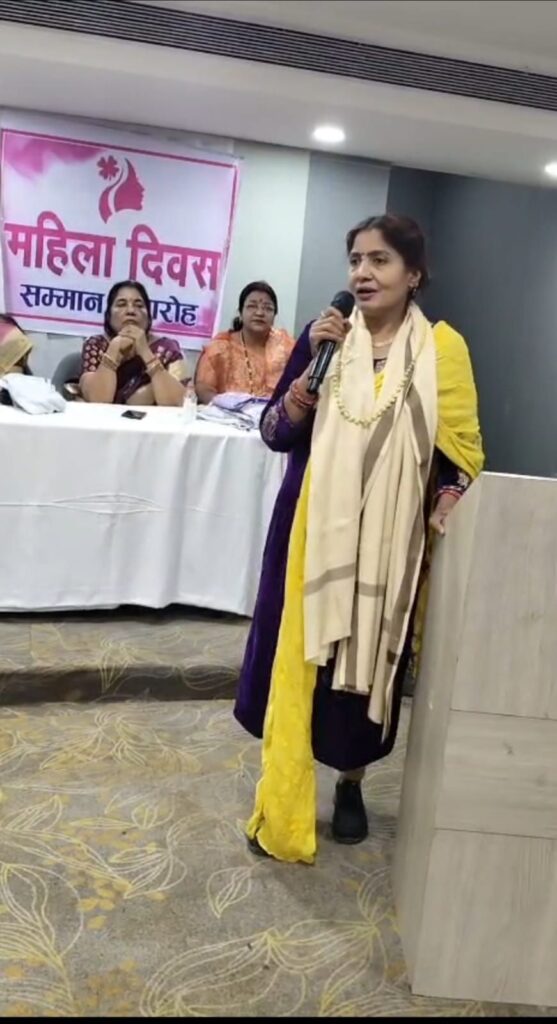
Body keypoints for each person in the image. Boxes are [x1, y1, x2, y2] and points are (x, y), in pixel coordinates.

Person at [235, 214, 484, 864]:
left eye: (379, 260)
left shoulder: (442, 351)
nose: (362, 274)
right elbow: (274, 432)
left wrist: (449, 496)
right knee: (297, 660)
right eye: (355, 260)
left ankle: (350, 782)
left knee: (361, 664)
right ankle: (285, 788)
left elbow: (458, 451)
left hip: (388, 542)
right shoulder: (324, 337)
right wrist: (304, 386)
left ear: (413, 274)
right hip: (308, 528)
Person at [80, 280, 190, 406]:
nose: (131, 311)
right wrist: (113, 351)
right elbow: (97, 399)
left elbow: (180, 402)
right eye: (121, 304)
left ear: (149, 317)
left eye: (139, 305)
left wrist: (146, 353)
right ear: (108, 315)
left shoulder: (166, 348)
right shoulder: (96, 345)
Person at [195, 281, 295, 404]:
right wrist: (227, 408)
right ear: (240, 313)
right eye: (252, 306)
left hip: (274, 414)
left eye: (268, 308)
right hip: (226, 413)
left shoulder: (287, 347)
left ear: (274, 317)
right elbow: (204, 389)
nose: (259, 313)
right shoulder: (220, 348)